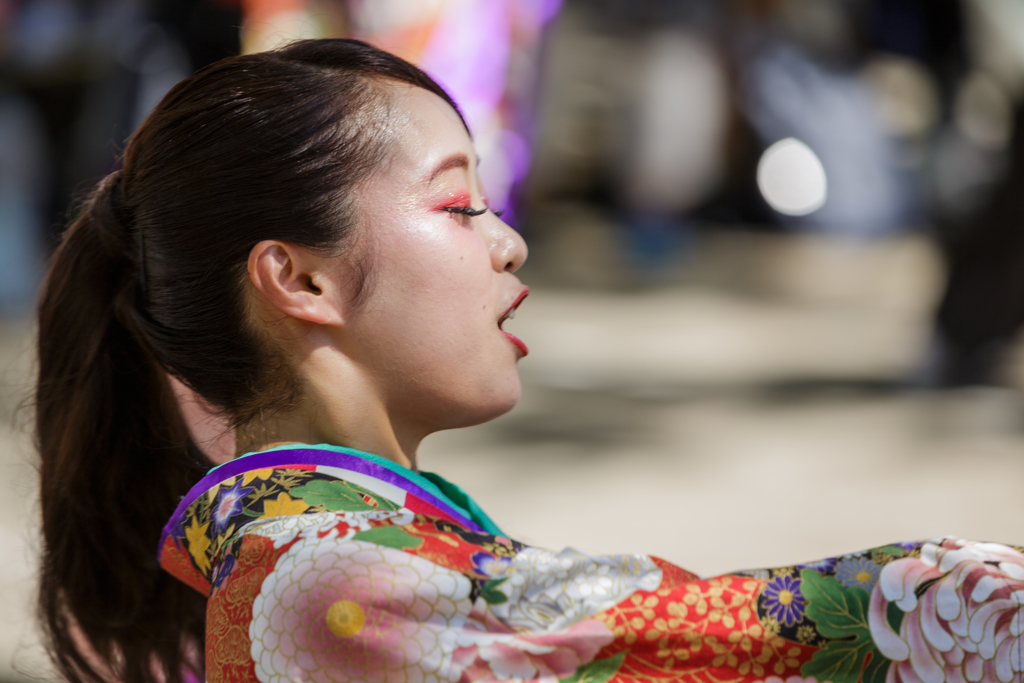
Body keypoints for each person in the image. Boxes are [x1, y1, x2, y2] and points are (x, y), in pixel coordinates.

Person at [35, 39, 1024, 683]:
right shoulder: (335, 581)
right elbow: (820, 628)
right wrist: (953, 593)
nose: (506, 242)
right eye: (458, 205)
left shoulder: (318, 539)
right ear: (299, 279)